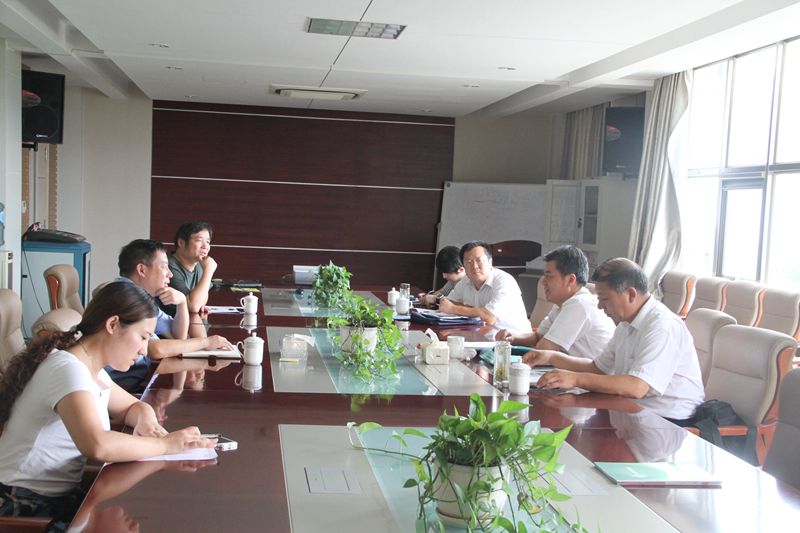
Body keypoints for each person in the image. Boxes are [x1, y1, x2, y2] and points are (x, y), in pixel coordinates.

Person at [0, 282, 216, 531]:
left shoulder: (90, 369)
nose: (144, 350)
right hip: (23, 503)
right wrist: (166, 445)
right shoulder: (68, 369)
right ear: (113, 325)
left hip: (56, 498)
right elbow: (97, 445)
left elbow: (133, 407)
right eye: (143, 337)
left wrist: (148, 422)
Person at [523, 257, 704, 422]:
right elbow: (598, 368)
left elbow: (636, 387)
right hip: (632, 412)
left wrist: (576, 379)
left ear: (631, 294)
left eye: (605, 299)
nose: (600, 306)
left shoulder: (662, 326)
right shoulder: (626, 324)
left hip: (668, 421)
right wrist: (551, 357)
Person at [110, 239, 234, 392]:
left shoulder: (138, 296)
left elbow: (177, 336)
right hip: (123, 387)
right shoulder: (125, 298)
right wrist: (206, 342)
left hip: (138, 381)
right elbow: (155, 350)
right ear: (142, 270)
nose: (170, 274)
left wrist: (182, 303)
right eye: (164, 266)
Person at [496, 245, 614, 359]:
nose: (543, 282)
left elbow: (544, 349)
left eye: (549, 276)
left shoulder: (580, 304)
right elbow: (538, 336)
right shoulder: (562, 304)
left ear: (570, 280)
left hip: (589, 372)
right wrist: (513, 338)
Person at [439, 241, 531, 335]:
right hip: (480, 337)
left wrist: (454, 309)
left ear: (490, 262)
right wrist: (477, 311)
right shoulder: (465, 282)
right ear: (464, 266)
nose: (474, 266)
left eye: (479, 260)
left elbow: (490, 317)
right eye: (469, 262)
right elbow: (446, 303)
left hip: (513, 340)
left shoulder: (504, 281)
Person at [163, 221, 217, 317]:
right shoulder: (168, 267)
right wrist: (208, 271)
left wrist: (197, 303)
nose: (205, 246)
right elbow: (193, 306)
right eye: (199, 240)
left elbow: (201, 301)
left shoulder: (200, 266)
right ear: (181, 243)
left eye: (208, 242)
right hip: (169, 322)